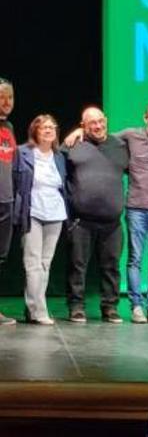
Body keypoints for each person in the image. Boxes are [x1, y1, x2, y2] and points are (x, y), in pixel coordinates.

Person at [66, 101, 148, 323]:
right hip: (110, 213)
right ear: (145, 118)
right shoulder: (116, 138)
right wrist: (79, 130)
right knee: (91, 264)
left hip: (138, 214)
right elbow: (94, 140)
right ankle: (91, 307)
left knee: (134, 264)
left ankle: (131, 307)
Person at [63, 106, 129, 323]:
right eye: (92, 123)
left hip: (112, 222)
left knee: (111, 266)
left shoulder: (119, 145)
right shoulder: (73, 144)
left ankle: (110, 307)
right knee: (77, 265)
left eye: (101, 121)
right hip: (81, 220)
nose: (98, 126)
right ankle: (76, 306)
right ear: (83, 126)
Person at [13, 115, 68, 325]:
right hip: (32, 211)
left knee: (45, 263)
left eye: (52, 127)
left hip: (55, 212)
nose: (49, 130)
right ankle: (39, 310)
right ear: (35, 131)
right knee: (32, 263)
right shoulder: (23, 152)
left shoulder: (59, 156)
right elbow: (16, 181)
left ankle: (32, 308)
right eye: (44, 127)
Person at [0, 78, 17, 325]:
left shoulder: (9, 127)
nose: (6, 103)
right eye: (1, 97)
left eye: (10, 97)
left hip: (6, 200)